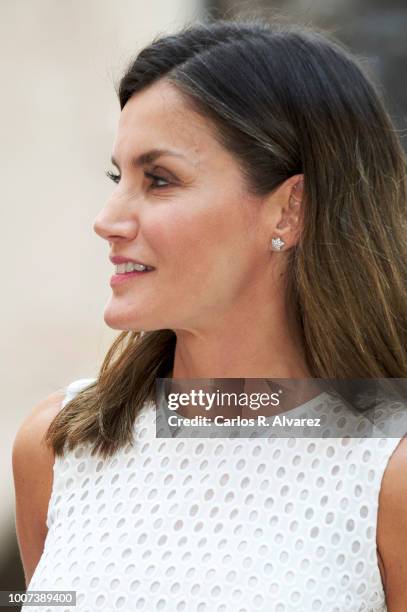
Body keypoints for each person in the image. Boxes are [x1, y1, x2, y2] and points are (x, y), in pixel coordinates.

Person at [12, 17, 407, 612]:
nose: (108, 218)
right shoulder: (57, 444)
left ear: (289, 210)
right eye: (119, 177)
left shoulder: (389, 472)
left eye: (160, 180)